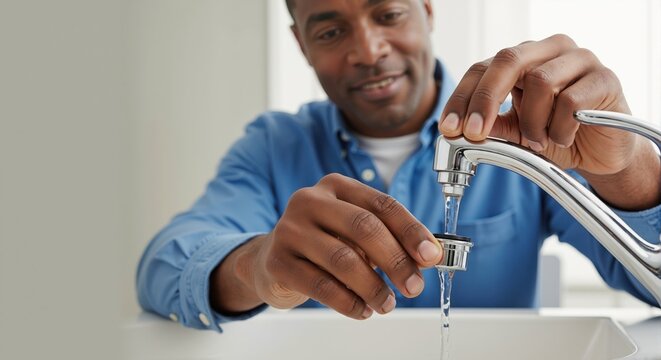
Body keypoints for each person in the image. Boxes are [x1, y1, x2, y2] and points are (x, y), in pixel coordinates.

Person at [137, 0, 661, 331]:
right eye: (329, 32)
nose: (368, 50)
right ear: (300, 44)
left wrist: (625, 170)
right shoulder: (274, 147)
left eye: (387, 14)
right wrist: (259, 267)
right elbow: (162, 266)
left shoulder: (534, 135)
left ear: (427, 10)